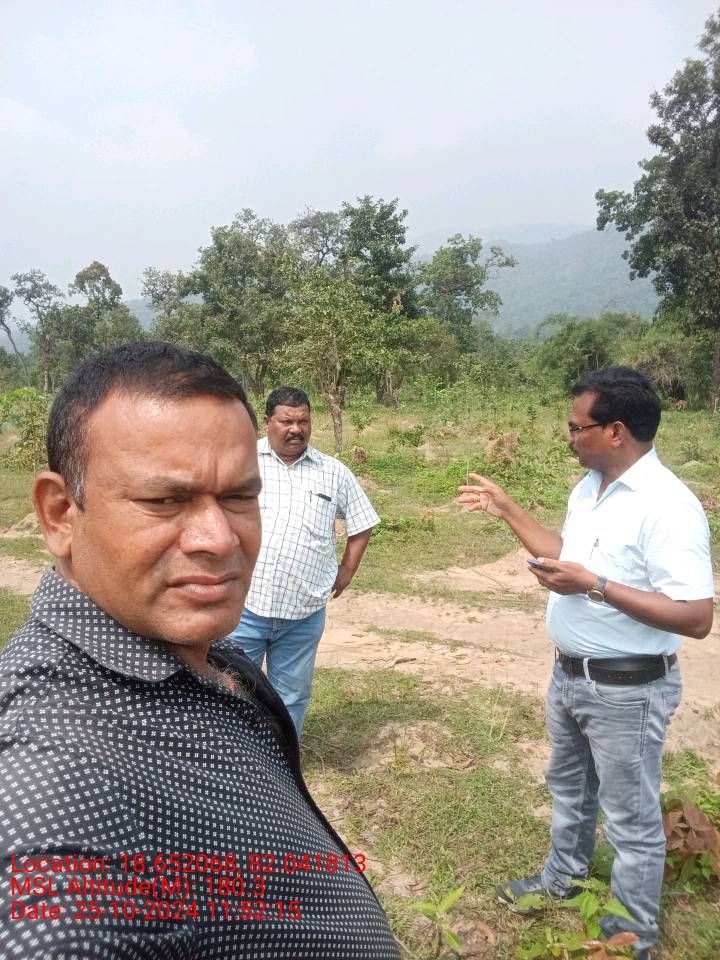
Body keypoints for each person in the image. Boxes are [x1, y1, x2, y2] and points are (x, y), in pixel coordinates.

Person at [0, 343, 399, 960]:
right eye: (164, 501)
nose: (218, 539)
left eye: (239, 497)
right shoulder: (52, 779)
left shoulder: (203, 651)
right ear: (59, 515)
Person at [457, 367, 714, 960]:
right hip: (571, 676)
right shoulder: (589, 489)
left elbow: (696, 616)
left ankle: (629, 936)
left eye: (577, 427)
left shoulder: (668, 506)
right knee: (570, 791)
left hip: (628, 689)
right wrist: (509, 510)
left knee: (630, 820)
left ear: (616, 430)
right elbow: (566, 556)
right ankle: (563, 879)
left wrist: (595, 586)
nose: (568, 436)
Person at [229, 387, 379, 735]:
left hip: (303, 614)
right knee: (234, 690)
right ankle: (236, 758)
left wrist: (347, 570)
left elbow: (362, 522)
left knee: (291, 697)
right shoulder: (242, 461)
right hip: (244, 608)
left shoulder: (333, 471)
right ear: (267, 421)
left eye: (304, 421)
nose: (296, 429)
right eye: (287, 421)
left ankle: (283, 760)